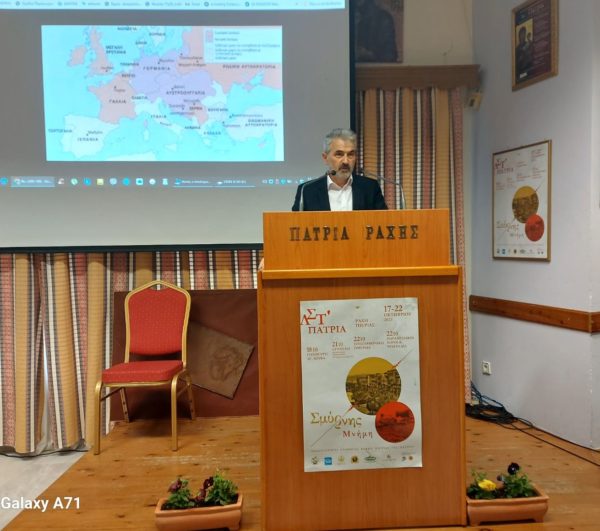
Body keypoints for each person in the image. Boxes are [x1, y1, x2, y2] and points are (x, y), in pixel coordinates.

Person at [291, 128, 388, 211]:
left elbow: (384, 222)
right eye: (339, 154)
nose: (346, 161)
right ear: (325, 158)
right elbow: (295, 224)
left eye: (350, 154)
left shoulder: (370, 188)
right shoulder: (307, 190)